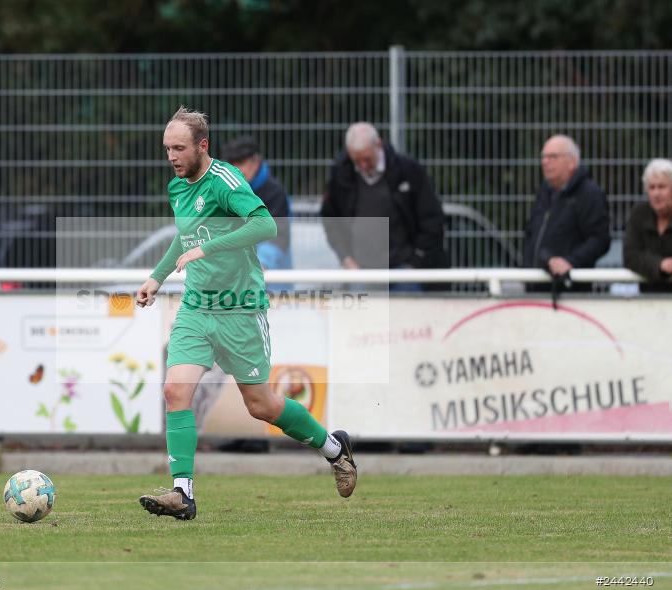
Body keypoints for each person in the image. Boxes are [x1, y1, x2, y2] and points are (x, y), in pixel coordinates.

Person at [136, 107, 357, 520]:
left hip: (240, 310)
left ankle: (334, 448)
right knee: (175, 391)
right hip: (197, 307)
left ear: (203, 145)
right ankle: (182, 492)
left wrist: (208, 248)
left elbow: (265, 225)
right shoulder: (178, 187)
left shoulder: (226, 181)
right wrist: (156, 277)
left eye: (179, 148)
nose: (171, 156)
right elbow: (186, 237)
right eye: (167, 149)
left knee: (262, 406)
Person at [321, 122, 448, 284]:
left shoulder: (408, 170)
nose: (363, 166)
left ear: (378, 145)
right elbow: (331, 219)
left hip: (404, 270)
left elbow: (432, 218)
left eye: (367, 159)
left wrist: (416, 261)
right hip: (361, 271)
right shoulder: (341, 175)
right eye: (357, 161)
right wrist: (345, 257)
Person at [522, 134, 610, 290]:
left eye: (553, 157)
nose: (545, 162)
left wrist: (571, 261)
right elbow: (531, 235)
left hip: (569, 291)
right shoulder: (544, 193)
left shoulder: (589, 194)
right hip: (536, 287)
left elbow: (600, 239)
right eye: (543, 157)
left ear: (572, 162)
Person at [221, 135, 292, 270]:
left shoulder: (275, 193)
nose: (236, 170)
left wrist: (261, 262)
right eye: (232, 164)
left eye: (241, 163)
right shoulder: (225, 192)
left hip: (270, 275)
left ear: (256, 161)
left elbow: (279, 235)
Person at [624, 158, 672, 292]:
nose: (656, 193)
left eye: (662, 187)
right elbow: (630, 255)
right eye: (652, 187)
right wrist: (660, 264)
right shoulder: (639, 214)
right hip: (648, 296)